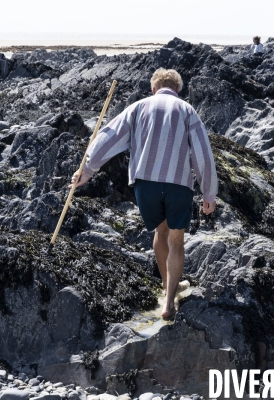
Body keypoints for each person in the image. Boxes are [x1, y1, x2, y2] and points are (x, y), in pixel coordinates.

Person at [71, 68, 218, 320]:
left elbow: (109, 136)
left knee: (160, 233)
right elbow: (203, 154)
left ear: (153, 88)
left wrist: (87, 169)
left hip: (145, 184)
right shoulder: (187, 110)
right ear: (177, 89)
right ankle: (170, 301)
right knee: (176, 240)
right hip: (178, 185)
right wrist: (209, 192)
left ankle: (165, 287)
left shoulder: (138, 107)